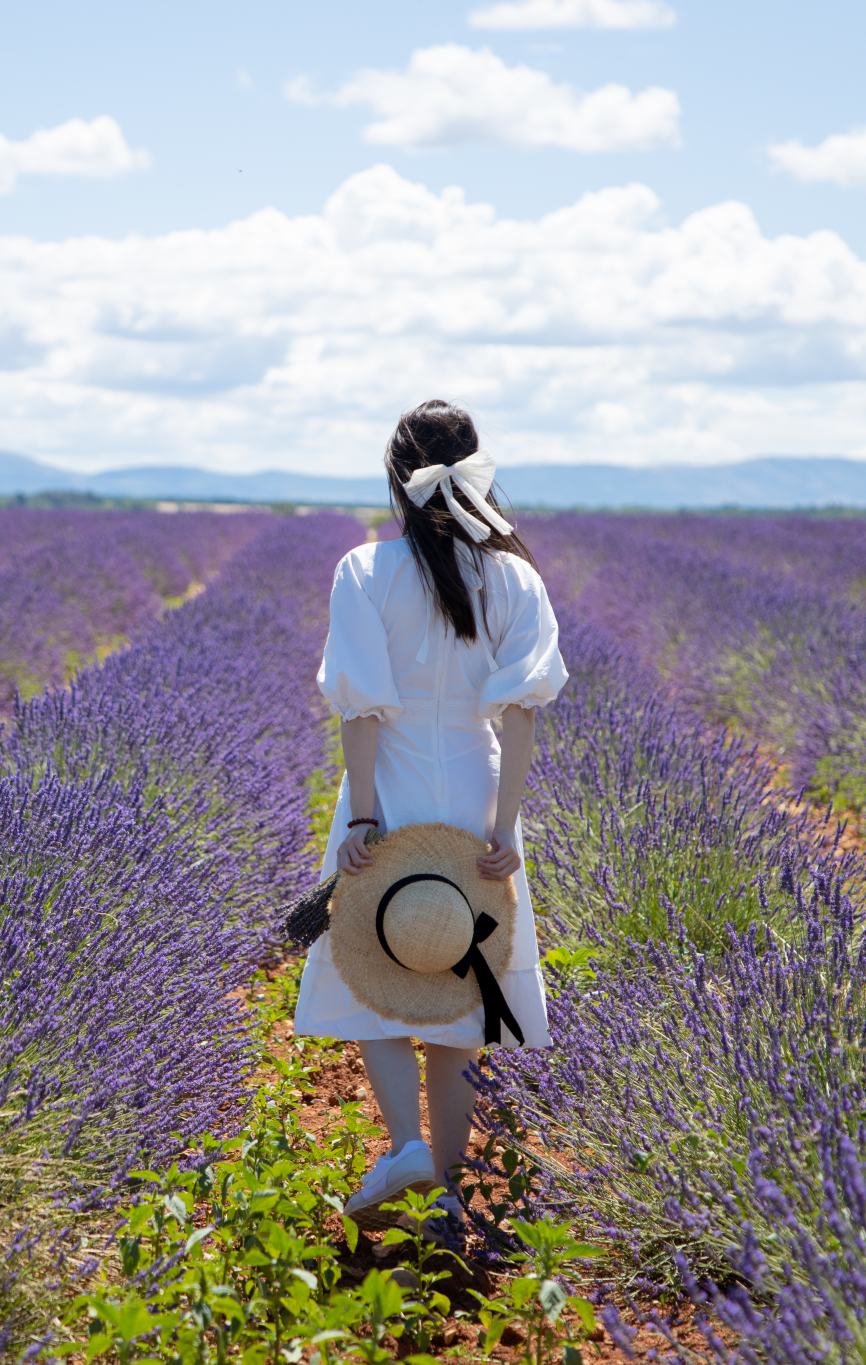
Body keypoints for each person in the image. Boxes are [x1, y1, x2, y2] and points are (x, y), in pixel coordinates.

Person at [295, 399, 568, 1226]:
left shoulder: (364, 570)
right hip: (479, 793)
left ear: (397, 479)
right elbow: (520, 711)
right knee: (462, 997)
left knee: (370, 971)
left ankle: (407, 1146)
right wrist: (503, 831)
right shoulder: (515, 575)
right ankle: (447, 1196)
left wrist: (363, 822)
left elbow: (362, 708)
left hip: (395, 787)